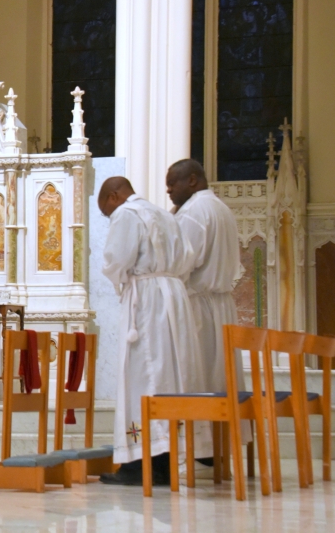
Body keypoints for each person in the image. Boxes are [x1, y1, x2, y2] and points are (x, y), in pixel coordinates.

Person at [97, 176, 204, 485]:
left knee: (143, 376)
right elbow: (187, 258)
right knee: (170, 375)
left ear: (115, 196)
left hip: (147, 300)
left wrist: (121, 279)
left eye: (106, 211)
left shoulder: (127, 214)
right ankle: (165, 457)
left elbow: (116, 260)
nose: (110, 217)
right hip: (173, 297)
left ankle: (140, 462)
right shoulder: (164, 214)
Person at [167, 159, 243, 468]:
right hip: (221, 305)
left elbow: (181, 262)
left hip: (198, 305)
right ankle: (217, 446)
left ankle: (200, 449)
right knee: (218, 378)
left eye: (174, 184)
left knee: (196, 377)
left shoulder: (194, 213)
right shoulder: (219, 208)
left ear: (193, 180)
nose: (169, 190)